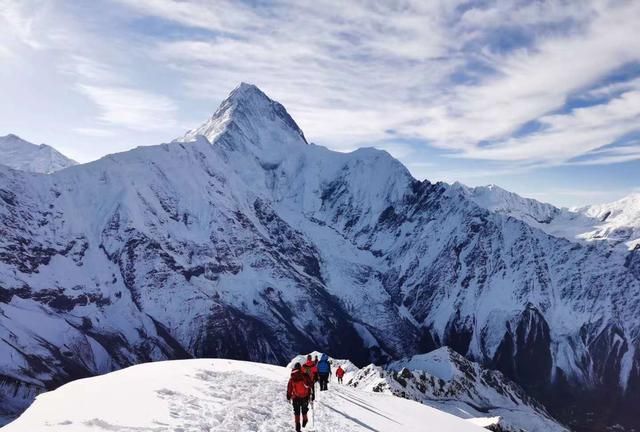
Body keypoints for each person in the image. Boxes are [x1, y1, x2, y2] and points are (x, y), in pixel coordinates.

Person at [287, 362, 314, 432]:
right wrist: (312, 394)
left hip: (295, 397)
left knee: (297, 412)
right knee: (304, 410)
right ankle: (305, 421)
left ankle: (298, 427)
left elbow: (289, 387)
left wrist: (288, 396)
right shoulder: (305, 375)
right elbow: (311, 384)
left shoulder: (292, 376)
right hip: (305, 397)